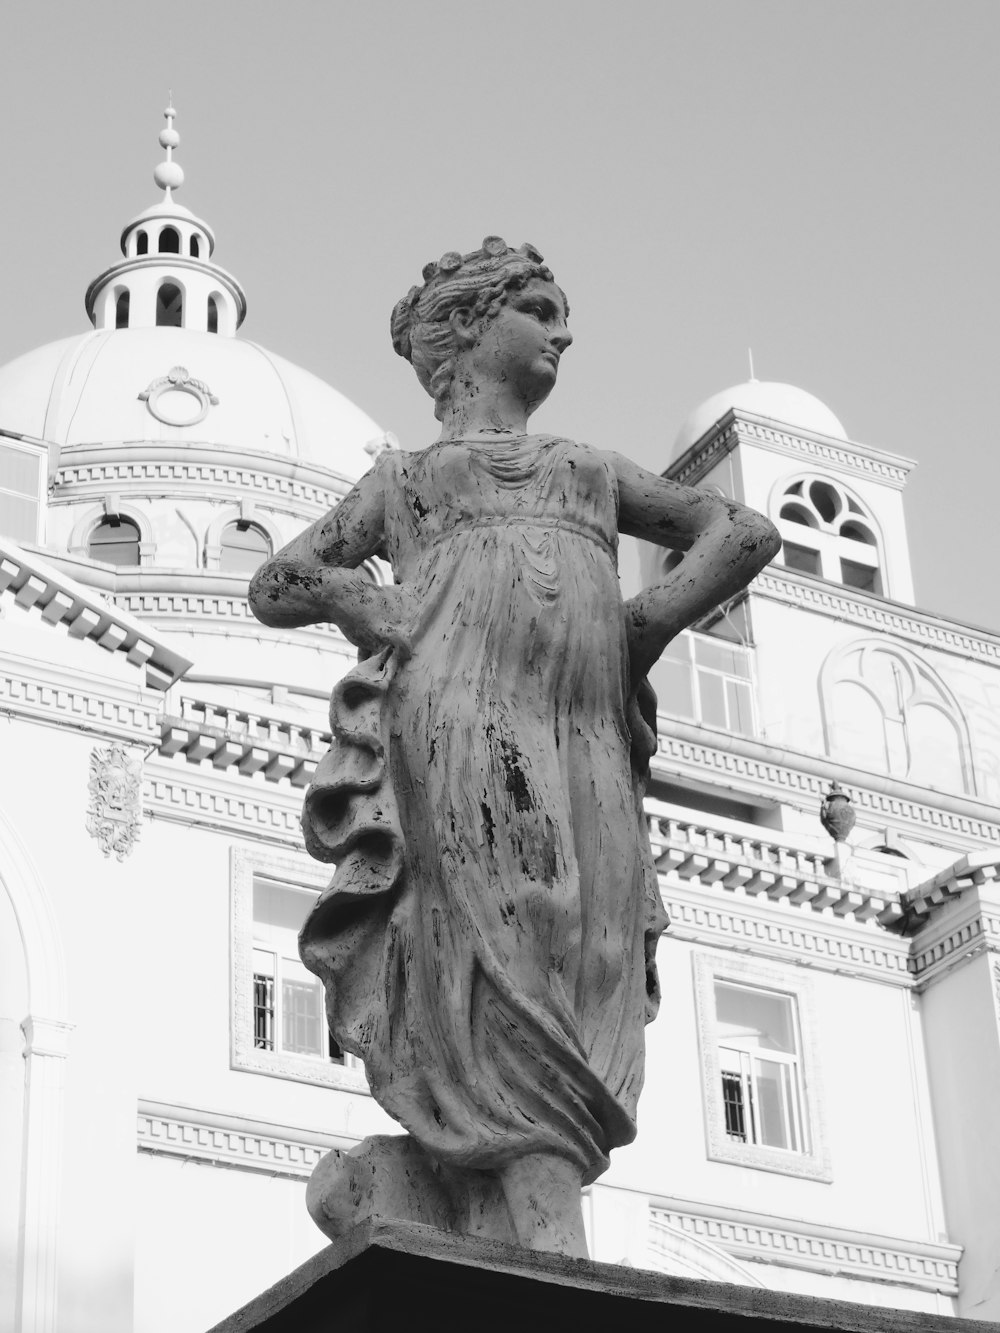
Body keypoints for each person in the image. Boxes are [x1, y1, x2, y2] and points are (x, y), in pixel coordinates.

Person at [249, 237, 781, 1256]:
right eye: (537, 307)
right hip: (456, 727)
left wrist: (644, 624)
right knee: (505, 943)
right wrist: (374, 605)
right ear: (465, 330)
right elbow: (278, 582)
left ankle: (484, 1201)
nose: (562, 329)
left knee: (591, 946)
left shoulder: (585, 466)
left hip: (583, 738)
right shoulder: (408, 481)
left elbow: (745, 532)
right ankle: (538, 1223)